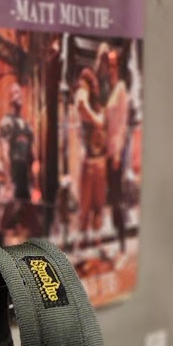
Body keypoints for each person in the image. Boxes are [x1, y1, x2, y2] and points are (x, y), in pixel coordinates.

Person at [98, 45, 130, 254]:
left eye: (113, 64)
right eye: (108, 64)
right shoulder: (110, 90)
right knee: (111, 197)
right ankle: (117, 238)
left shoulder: (121, 89)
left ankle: (122, 240)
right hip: (108, 151)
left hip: (116, 151)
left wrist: (117, 152)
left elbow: (122, 124)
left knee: (117, 197)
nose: (110, 68)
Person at [0, 85, 37, 238]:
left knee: (28, 218)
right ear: (10, 99)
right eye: (14, 93)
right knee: (6, 217)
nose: (18, 96)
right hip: (13, 176)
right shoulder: (7, 122)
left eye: (19, 93)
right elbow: (5, 152)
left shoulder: (27, 127)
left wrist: (34, 180)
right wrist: (8, 180)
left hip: (25, 178)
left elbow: (32, 155)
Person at [74, 66, 108, 247]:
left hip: (99, 161)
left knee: (97, 207)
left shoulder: (97, 105)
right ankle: (82, 244)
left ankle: (96, 242)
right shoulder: (84, 98)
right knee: (86, 208)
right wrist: (96, 120)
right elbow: (80, 104)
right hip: (90, 161)